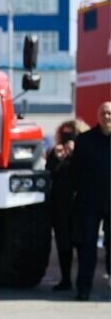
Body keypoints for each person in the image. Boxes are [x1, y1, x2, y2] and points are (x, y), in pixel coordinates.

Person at [70, 101, 111, 301]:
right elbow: (75, 171)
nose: (107, 117)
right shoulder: (85, 141)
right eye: (103, 113)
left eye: (110, 113)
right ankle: (83, 288)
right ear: (98, 116)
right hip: (90, 202)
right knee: (87, 246)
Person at [45, 119, 89, 291]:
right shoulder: (55, 153)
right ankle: (65, 279)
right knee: (63, 244)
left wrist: (75, 155)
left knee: (83, 243)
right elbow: (49, 174)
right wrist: (57, 158)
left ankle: (83, 281)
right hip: (60, 206)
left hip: (80, 205)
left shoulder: (84, 151)